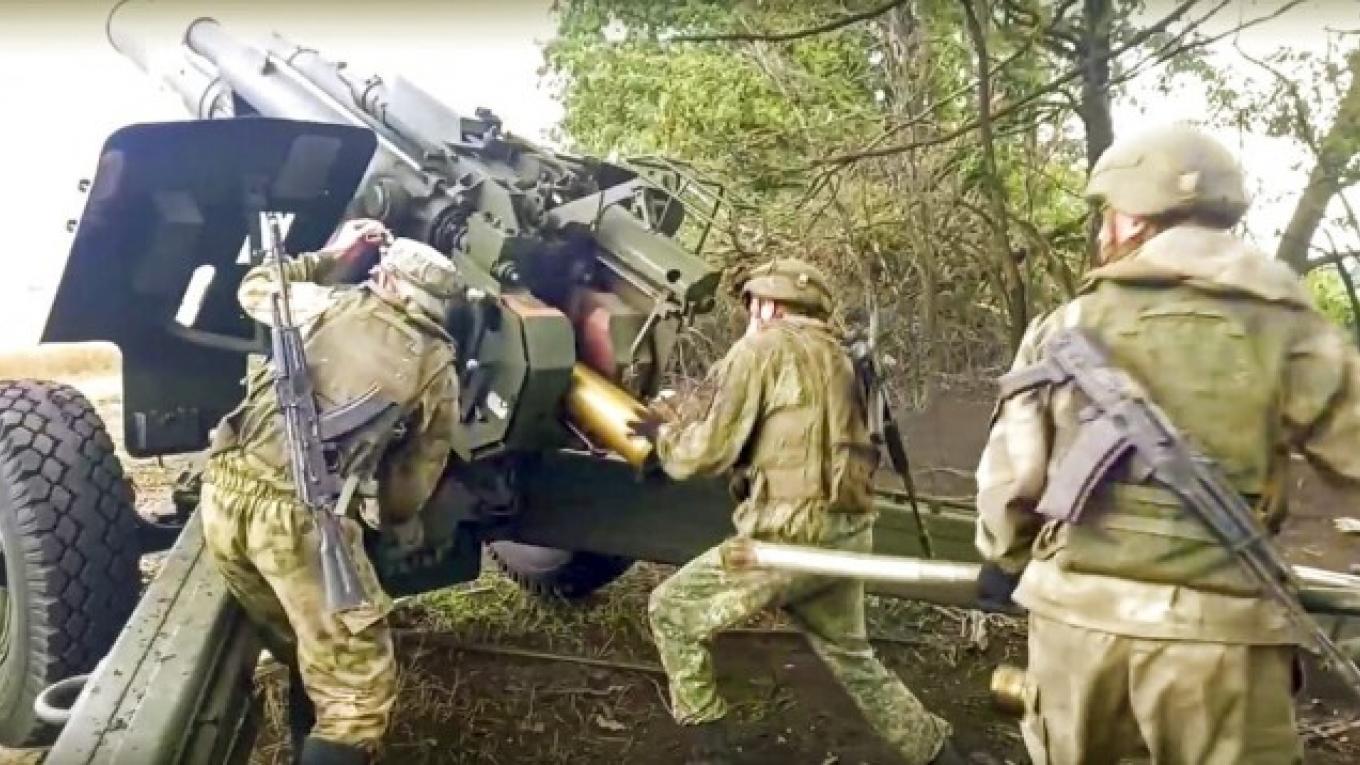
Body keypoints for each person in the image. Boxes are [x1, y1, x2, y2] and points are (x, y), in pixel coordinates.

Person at [975, 123, 1360, 764]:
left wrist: (1003, 556)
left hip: (1078, 628)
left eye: (1107, 214)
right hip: (1220, 640)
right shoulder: (1289, 326)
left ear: (1131, 218)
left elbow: (1014, 472)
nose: (1103, 231)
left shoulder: (1067, 324)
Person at [630, 257, 961, 765]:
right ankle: (940, 754)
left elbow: (708, 451)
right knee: (854, 657)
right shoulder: (844, 356)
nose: (750, 315)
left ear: (768, 303)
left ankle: (714, 751)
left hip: (788, 539)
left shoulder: (761, 350)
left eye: (753, 304)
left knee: (672, 610)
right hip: (847, 532)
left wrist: (663, 437)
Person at [201, 219, 461, 764]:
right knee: (358, 695)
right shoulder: (434, 363)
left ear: (385, 278)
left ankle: (308, 742)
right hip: (300, 522)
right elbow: (418, 469)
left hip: (222, 498)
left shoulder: (322, 303)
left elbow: (256, 286)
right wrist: (389, 521)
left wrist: (331, 254)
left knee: (307, 644)